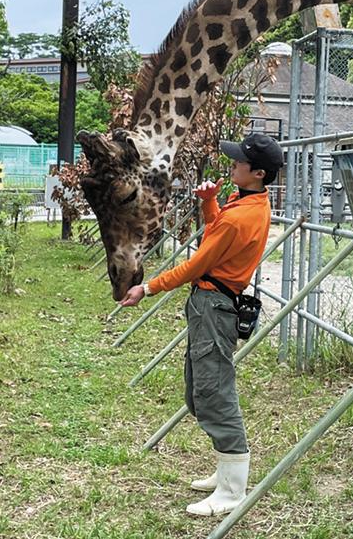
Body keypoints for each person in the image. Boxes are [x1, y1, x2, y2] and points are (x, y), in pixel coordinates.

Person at [119, 133, 283, 516]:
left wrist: (149, 287)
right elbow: (217, 239)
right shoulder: (247, 201)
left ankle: (232, 489)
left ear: (257, 173)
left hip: (215, 304)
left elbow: (199, 263)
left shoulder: (243, 214)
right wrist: (210, 204)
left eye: (239, 162)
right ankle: (225, 469)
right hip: (211, 303)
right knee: (198, 392)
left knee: (214, 393)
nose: (232, 164)